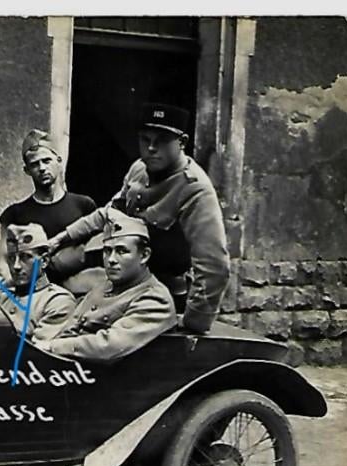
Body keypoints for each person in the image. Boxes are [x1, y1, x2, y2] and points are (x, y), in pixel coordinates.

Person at [48, 103, 229, 334]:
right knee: (55, 269)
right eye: (145, 139)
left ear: (182, 142)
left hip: (158, 290)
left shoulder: (195, 190)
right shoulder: (139, 169)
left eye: (161, 141)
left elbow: (214, 266)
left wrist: (194, 322)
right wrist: (63, 237)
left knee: (79, 305)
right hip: (122, 271)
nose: (151, 148)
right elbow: (110, 211)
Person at [34, 210, 176, 363]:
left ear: (144, 255)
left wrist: (54, 347)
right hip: (74, 368)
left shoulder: (155, 299)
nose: (111, 259)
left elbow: (110, 344)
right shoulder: (104, 287)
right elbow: (72, 325)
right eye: (107, 251)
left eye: (122, 251)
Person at [0, 129, 97, 287]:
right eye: (35, 164)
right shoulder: (14, 214)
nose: (42, 168)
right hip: (34, 292)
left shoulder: (83, 205)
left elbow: (95, 251)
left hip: (79, 290)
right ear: (27, 170)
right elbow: (3, 263)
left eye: (46, 161)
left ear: (59, 161)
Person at [0, 224, 76, 341]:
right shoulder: (2, 297)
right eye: (12, 258)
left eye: (25, 257)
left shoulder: (58, 302)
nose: (16, 266)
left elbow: (37, 349)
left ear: (44, 261)